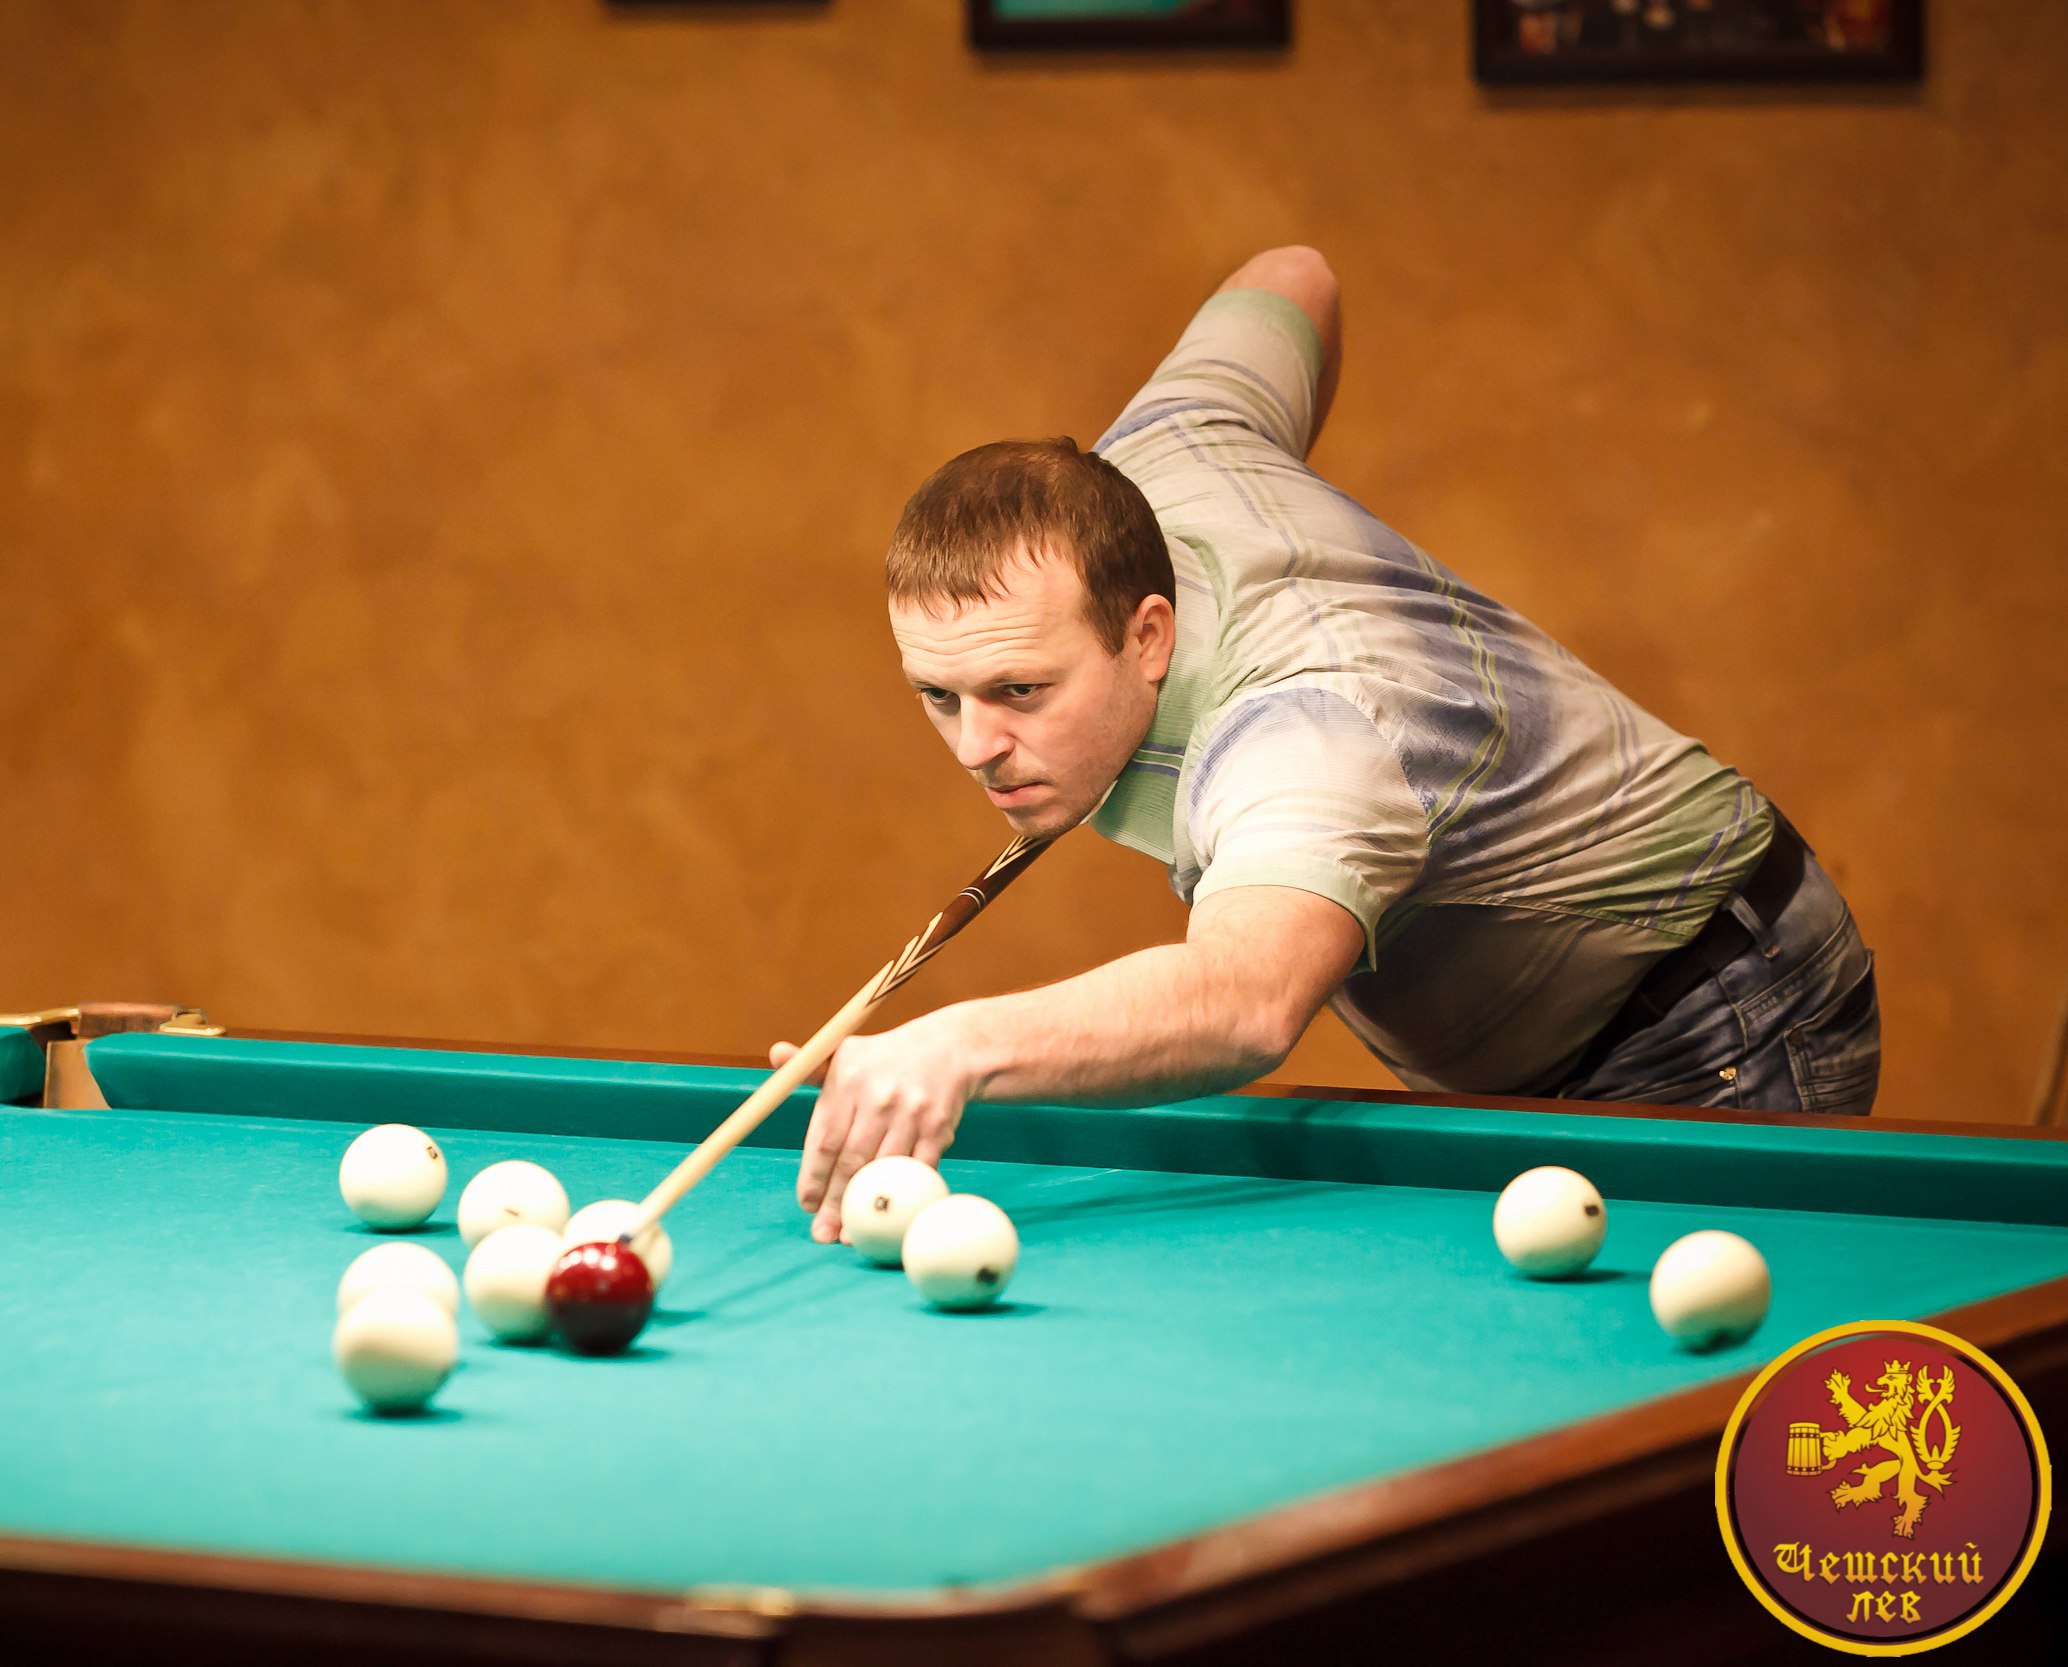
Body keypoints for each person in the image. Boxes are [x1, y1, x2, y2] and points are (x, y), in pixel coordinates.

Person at [780, 246, 1881, 1245]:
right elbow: (1293, 273)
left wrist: (958, 1044)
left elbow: (1244, 999)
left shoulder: (1306, 733)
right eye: (939, 696)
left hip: (1715, 1001)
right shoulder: (1176, 445)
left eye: (1020, 690)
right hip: (1539, 1034)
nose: (976, 745)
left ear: (1148, 633)